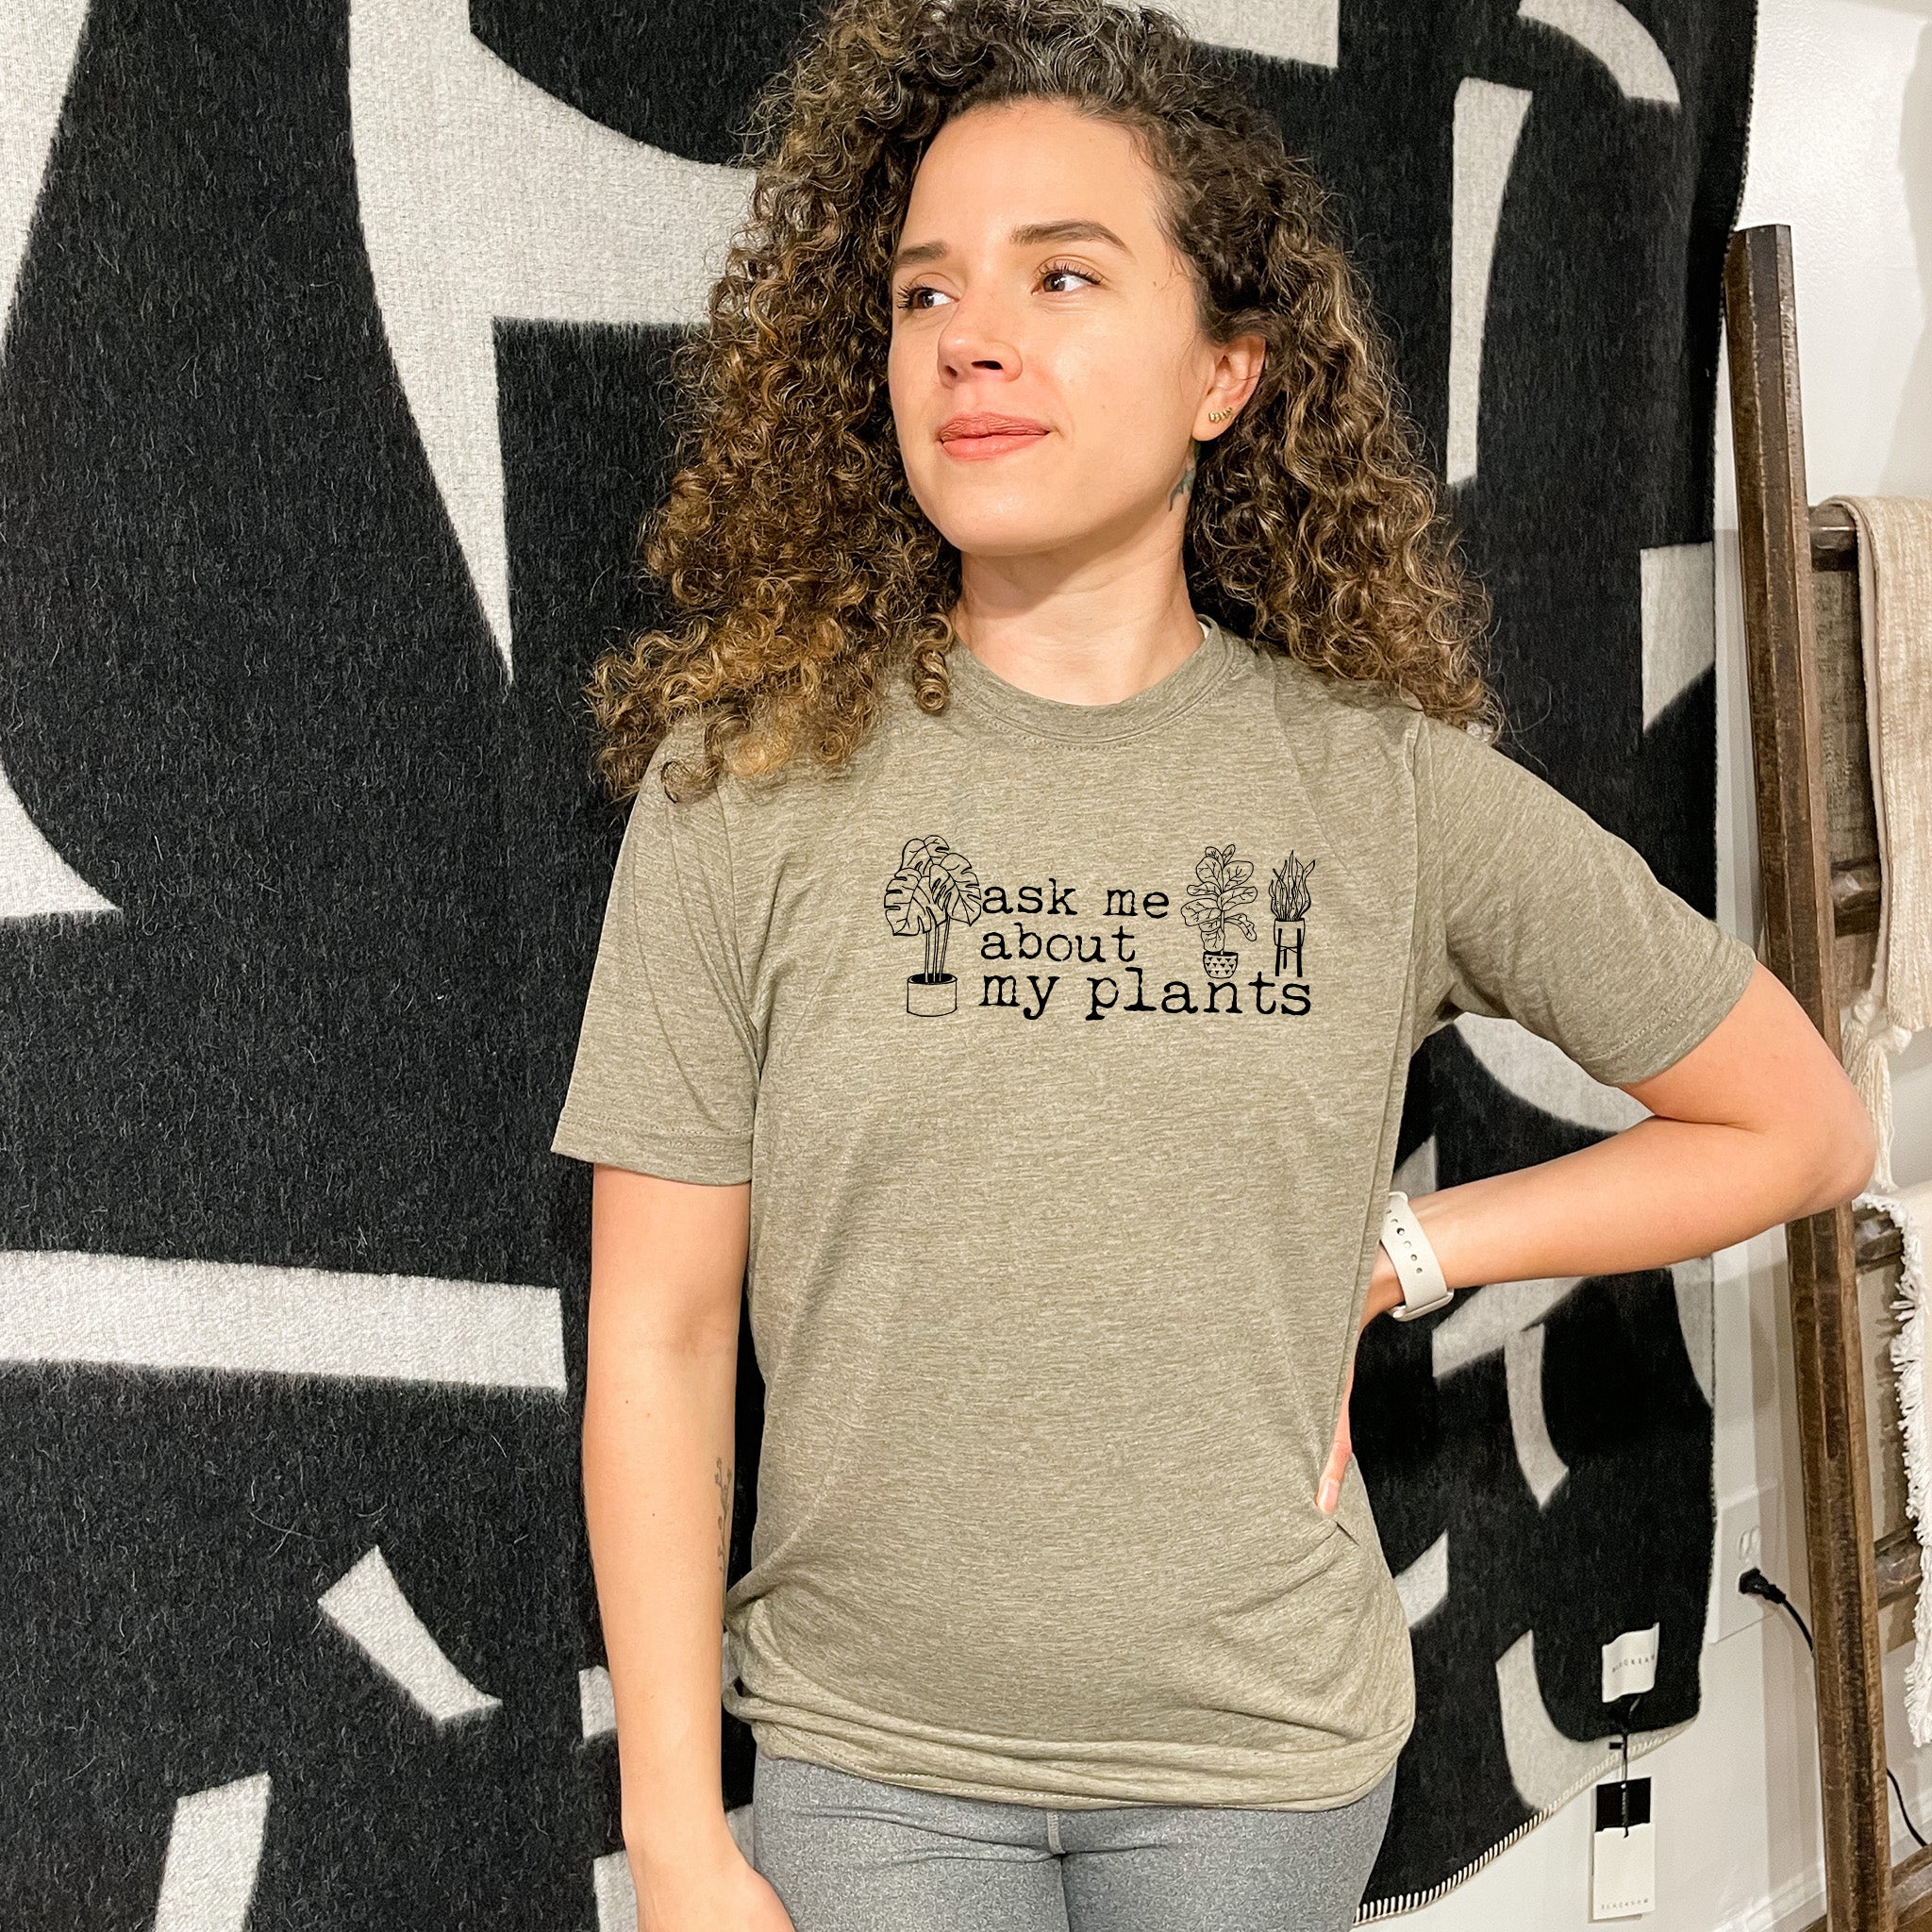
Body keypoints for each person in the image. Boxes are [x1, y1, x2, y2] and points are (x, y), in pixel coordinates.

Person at [548, 2, 1876, 1927]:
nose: (970, 340)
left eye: (1061, 275)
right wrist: (676, 1827)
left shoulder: (1382, 793)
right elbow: (657, 1336)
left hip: (1258, 1770)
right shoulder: (744, 783)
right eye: (923, 294)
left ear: (1225, 369)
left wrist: (1414, 1256)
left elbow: (1801, 1121)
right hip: (873, 1773)